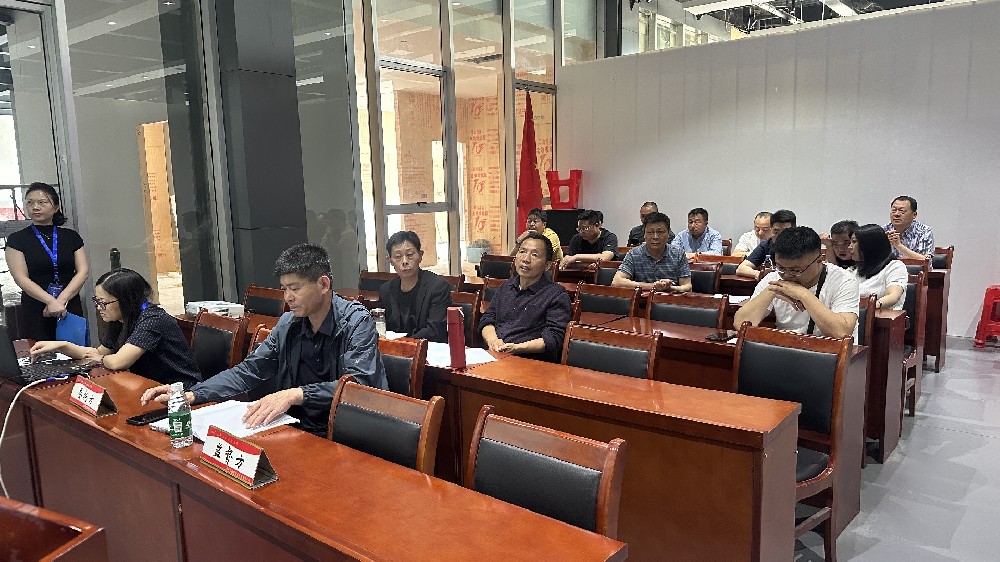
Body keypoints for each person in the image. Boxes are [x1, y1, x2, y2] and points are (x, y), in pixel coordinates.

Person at [140, 243, 387, 437]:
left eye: (295, 288)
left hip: (346, 432)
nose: (288, 297)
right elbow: (250, 370)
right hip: (298, 428)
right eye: (284, 288)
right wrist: (193, 394)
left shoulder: (356, 321)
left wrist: (296, 394)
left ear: (323, 284)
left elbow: (359, 386)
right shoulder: (289, 323)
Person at [29, 269, 201, 388]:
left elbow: (118, 361)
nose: (99, 307)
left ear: (126, 301)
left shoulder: (153, 319)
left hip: (179, 390)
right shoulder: (120, 318)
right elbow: (99, 353)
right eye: (97, 301)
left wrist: (101, 358)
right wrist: (61, 346)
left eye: (103, 303)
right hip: (147, 385)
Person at [735, 227, 859, 339]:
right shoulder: (774, 277)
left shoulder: (843, 280)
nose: (787, 275)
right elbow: (740, 324)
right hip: (787, 349)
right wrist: (771, 291)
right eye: (781, 267)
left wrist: (804, 295)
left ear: (819, 261)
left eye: (796, 270)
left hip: (829, 353)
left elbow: (842, 333)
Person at [4, 182, 90, 341]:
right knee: (42, 351)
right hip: (36, 306)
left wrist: (60, 301)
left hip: (68, 303)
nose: (35, 207)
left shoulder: (71, 236)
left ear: (56, 207)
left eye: (42, 202)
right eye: (30, 202)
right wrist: (50, 301)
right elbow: (21, 278)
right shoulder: (17, 239)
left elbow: (83, 271)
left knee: (75, 351)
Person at [480, 233, 572, 362]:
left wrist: (517, 348)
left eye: (534, 255)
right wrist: (493, 340)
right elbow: (487, 318)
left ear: (547, 265)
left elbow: (554, 337)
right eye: (522, 252)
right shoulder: (506, 287)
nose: (526, 259)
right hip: (496, 356)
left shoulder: (556, 295)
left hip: (530, 362)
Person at [379, 231, 452, 342]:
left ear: (420, 255)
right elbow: (384, 327)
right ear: (390, 261)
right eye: (398, 257)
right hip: (395, 350)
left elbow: (435, 331)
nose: (404, 261)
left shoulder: (438, 287)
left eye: (410, 255)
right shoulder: (386, 290)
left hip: (428, 348)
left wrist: (403, 342)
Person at [612, 212, 692, 292]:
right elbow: (616, 282)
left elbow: (687, 286)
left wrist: (670, 288)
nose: (655, 237)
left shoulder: (678, 254)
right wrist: (653, 286)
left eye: (660, 232)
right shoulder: (634, 254)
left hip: (670, 298)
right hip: (642, 299)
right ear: (644, 234)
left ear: (668, 234)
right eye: (650, 232)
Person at [851, 224, 907, 310]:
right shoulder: (855, 269)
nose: (850, 247)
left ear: (868, 245)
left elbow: (893, 296)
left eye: (854, 242)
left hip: (880, 316)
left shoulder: (895, 266)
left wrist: (872, 307)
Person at [735, 209, 797, 279]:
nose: (780, 237)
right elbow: (741, 269)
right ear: (771, 230)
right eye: (776, 232)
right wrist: (759, 274)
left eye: (785, 232)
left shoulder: (802, 246)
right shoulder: (766, 245)